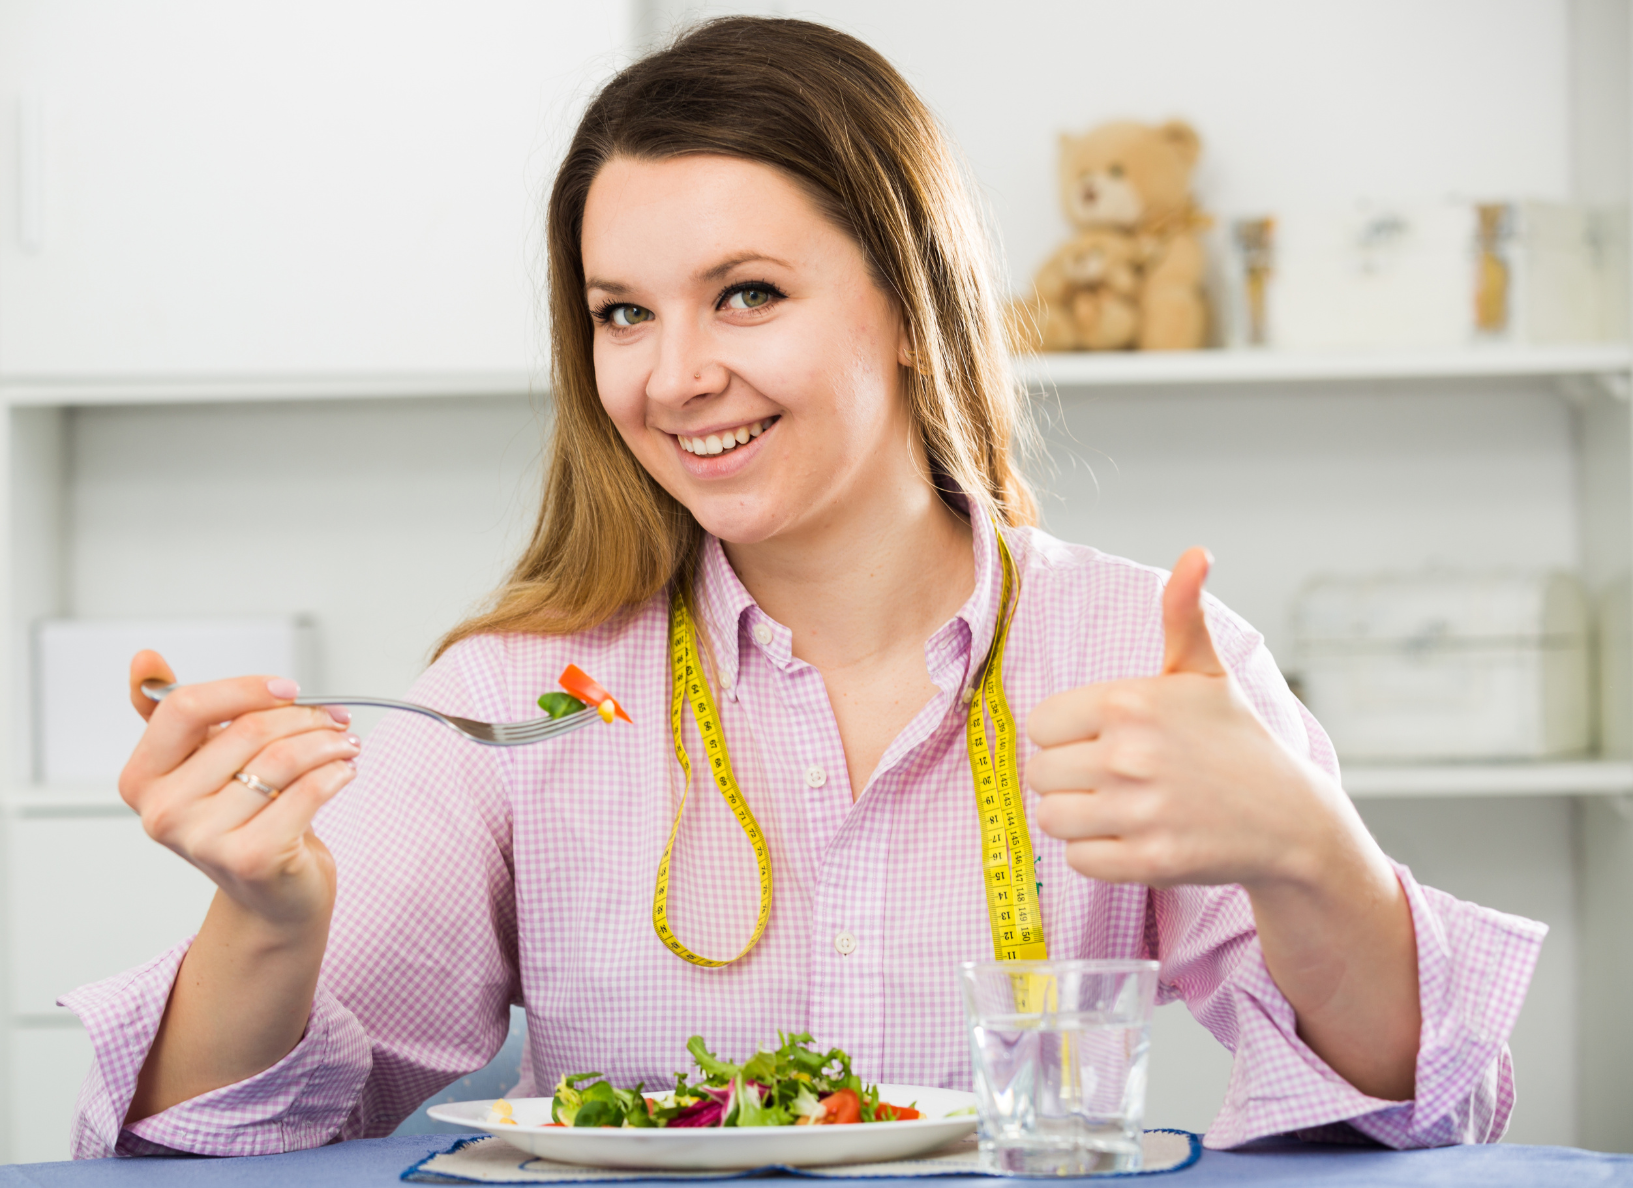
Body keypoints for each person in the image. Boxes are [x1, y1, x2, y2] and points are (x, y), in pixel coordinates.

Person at [66, 16, 1543, 1160]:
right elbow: (218, 1151)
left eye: (748, 294)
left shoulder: (1142, 656)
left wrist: (1313, 859)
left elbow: (1421, 1124)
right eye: (622, 314)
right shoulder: (519, 697)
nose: (675, 373)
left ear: (909, 303)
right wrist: (261, 921)